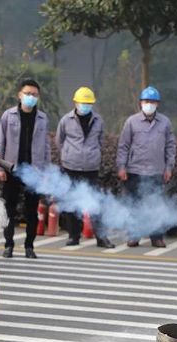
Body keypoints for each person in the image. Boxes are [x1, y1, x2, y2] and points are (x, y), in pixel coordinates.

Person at [0, 78, 51, 259]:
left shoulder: (42, 119)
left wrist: (45, 173)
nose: (30, 97)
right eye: (27, 94)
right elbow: (0, 143)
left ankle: (29, 246)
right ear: (19, 95)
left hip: (34, 172)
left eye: (34, 94)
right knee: (9, 209)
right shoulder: (8, 116)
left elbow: (47, 147)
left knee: (31, 210)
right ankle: (8, 244)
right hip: (12, 169)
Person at [116, 85, 176, 248]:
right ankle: (134, 235)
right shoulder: (132, 122)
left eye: (153, 101)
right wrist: (121, 167)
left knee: (155, 205)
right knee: (134, 205)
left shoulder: (165, 123)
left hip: (157, 171)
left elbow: (171, 146)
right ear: (140, 103)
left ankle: (156, 237)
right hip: (134, 170)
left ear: (157, 104)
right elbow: (123, 146)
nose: (149, 104)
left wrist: (169, 168)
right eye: (146, 101)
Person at [56, 87, 115, 249]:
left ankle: (101, 238)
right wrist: (68, 155)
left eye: (89, 103)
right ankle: (73, 236)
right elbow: (59, 141)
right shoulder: (66, 120)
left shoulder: (98, 121)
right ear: (75, 102)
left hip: (91, 168)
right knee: (72, 203)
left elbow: (101, 141)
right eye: (83, 103)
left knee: (95, 202)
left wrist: (93, 155)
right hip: (71, 167)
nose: (85, 106)